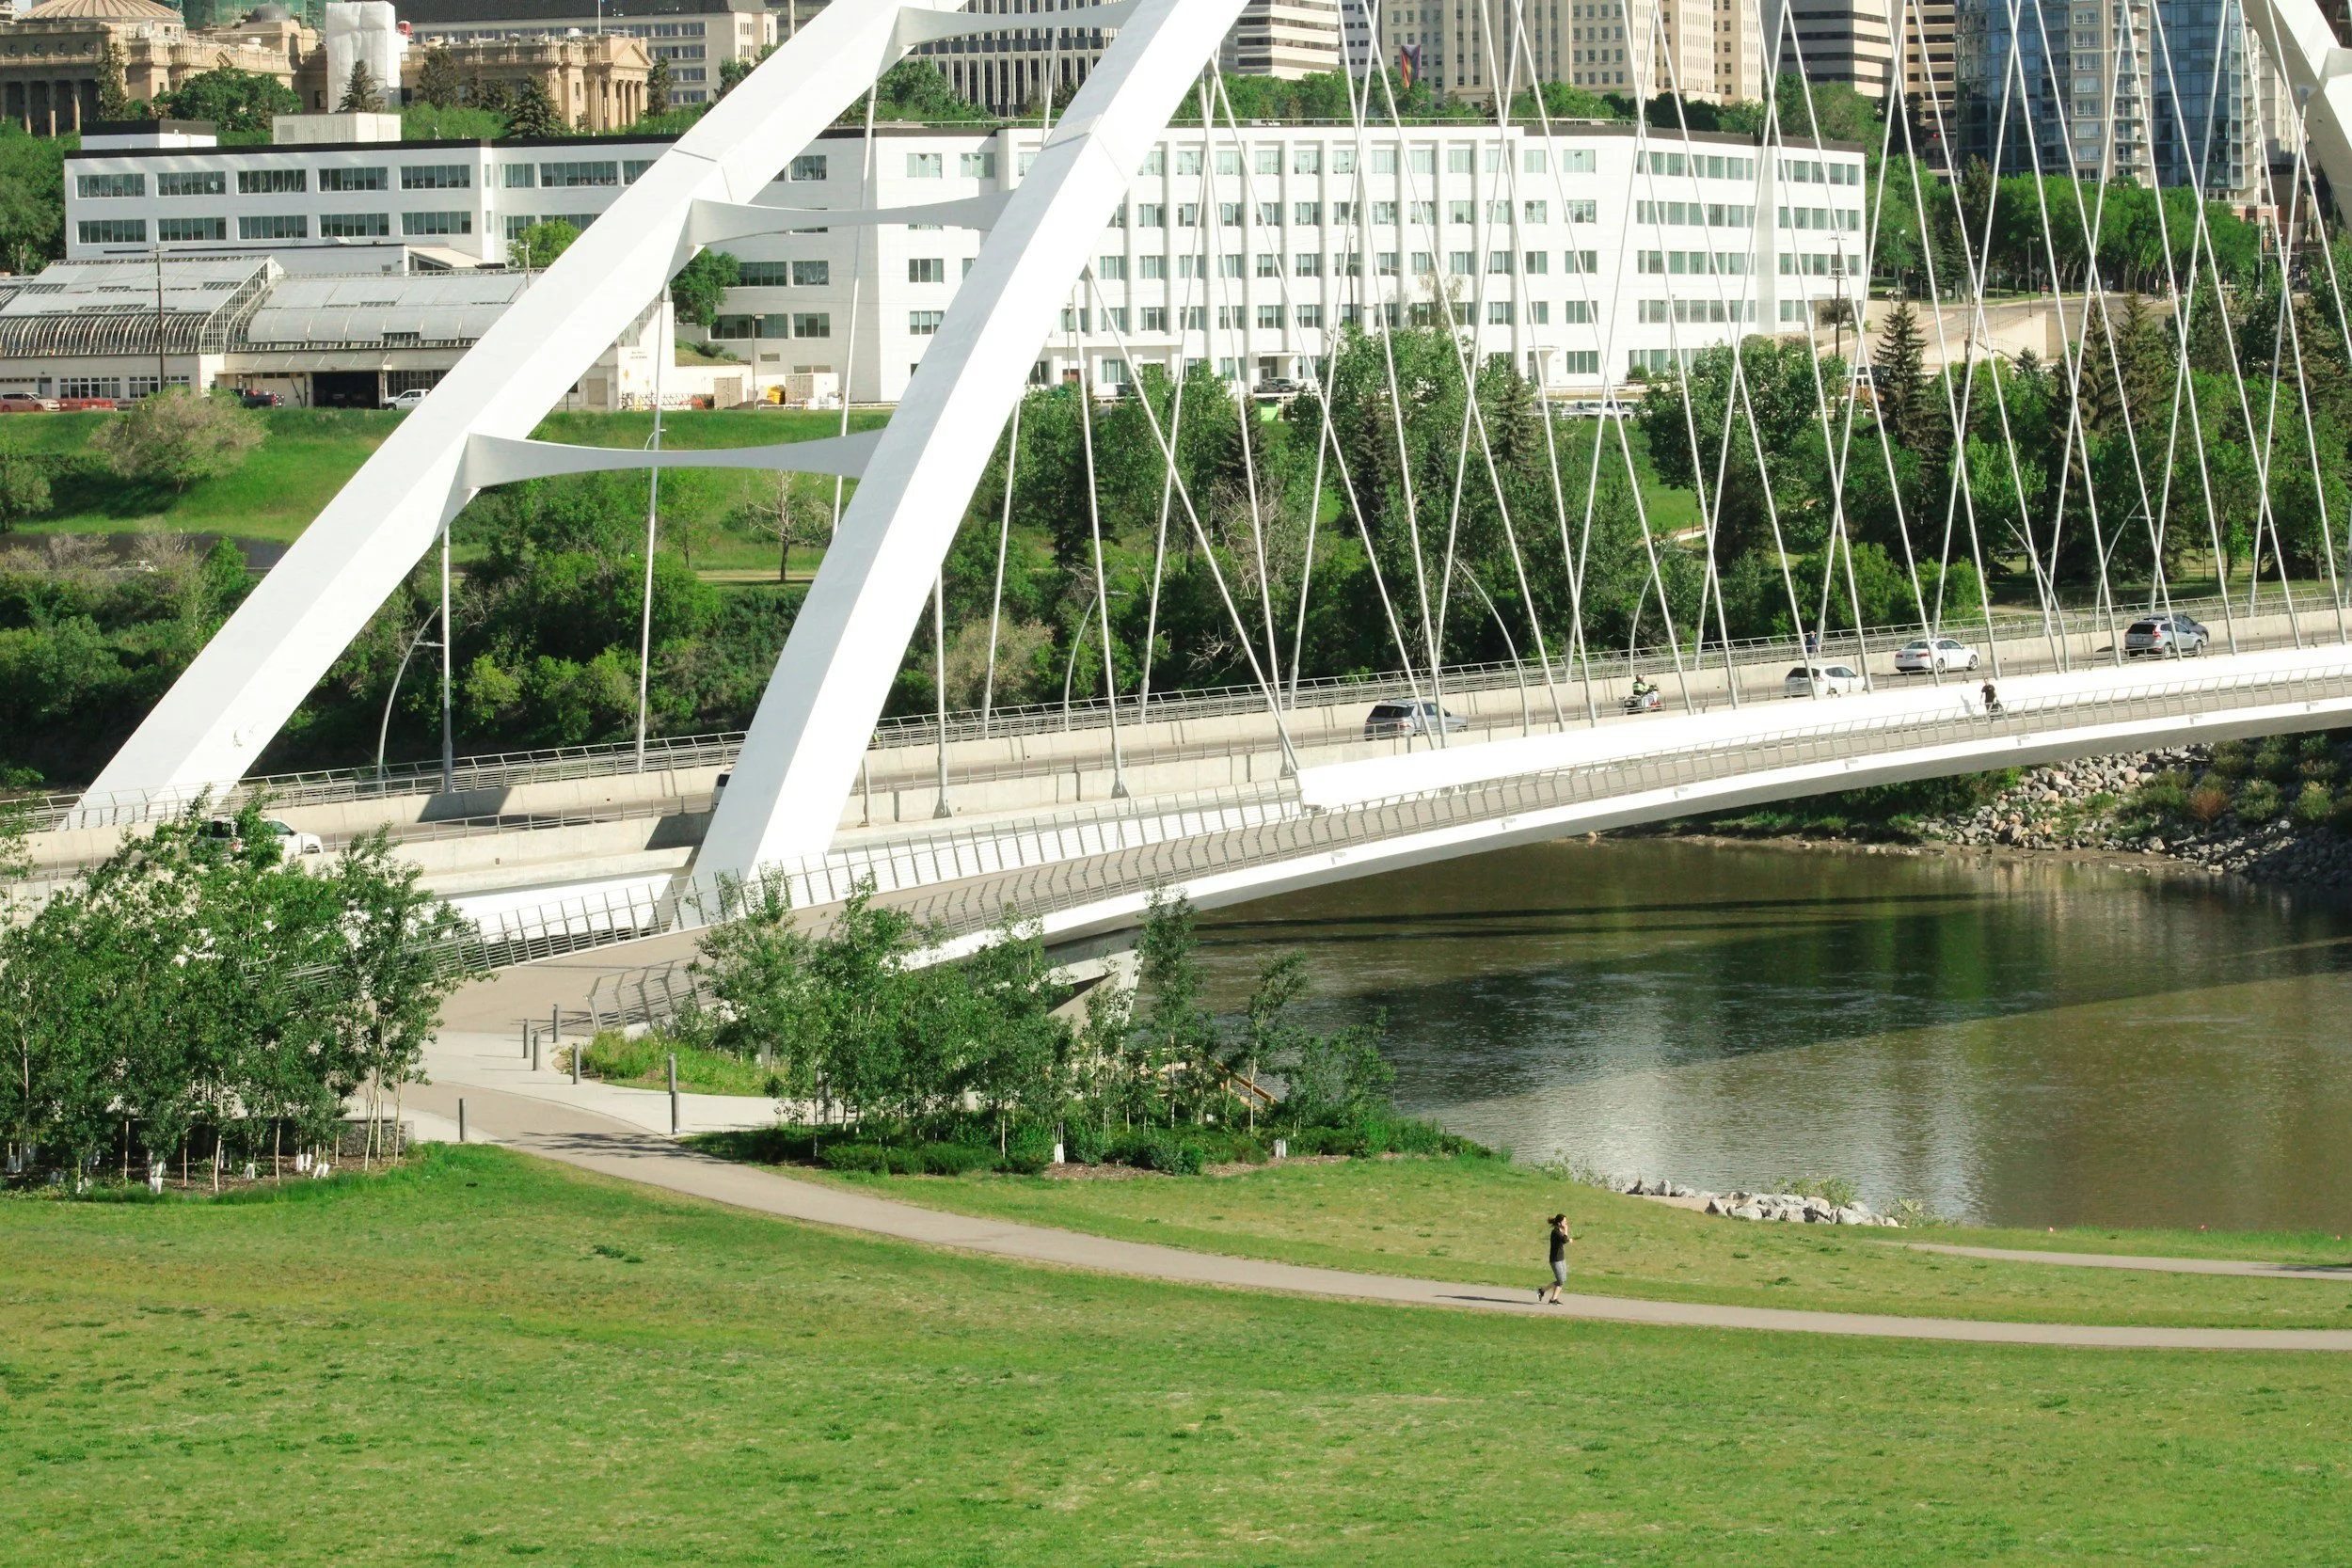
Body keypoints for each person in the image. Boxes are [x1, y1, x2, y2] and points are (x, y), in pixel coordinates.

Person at [1540, 1213, 1572, 1305]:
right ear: (1559, 1223)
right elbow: (1564, 1240)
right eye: (1564, 1221)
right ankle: (1543, 1291)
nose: (1566, 1223)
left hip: (1561, 1258)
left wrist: (1567, 1237)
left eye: (1566, 1221)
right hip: (1555, 1260)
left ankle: (1553, 1299)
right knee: (1561, 1280)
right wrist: (1566, 1230)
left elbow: (1564, 1240)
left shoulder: (1559, 1231)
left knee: (1563, 1279)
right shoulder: (1555, 1232)